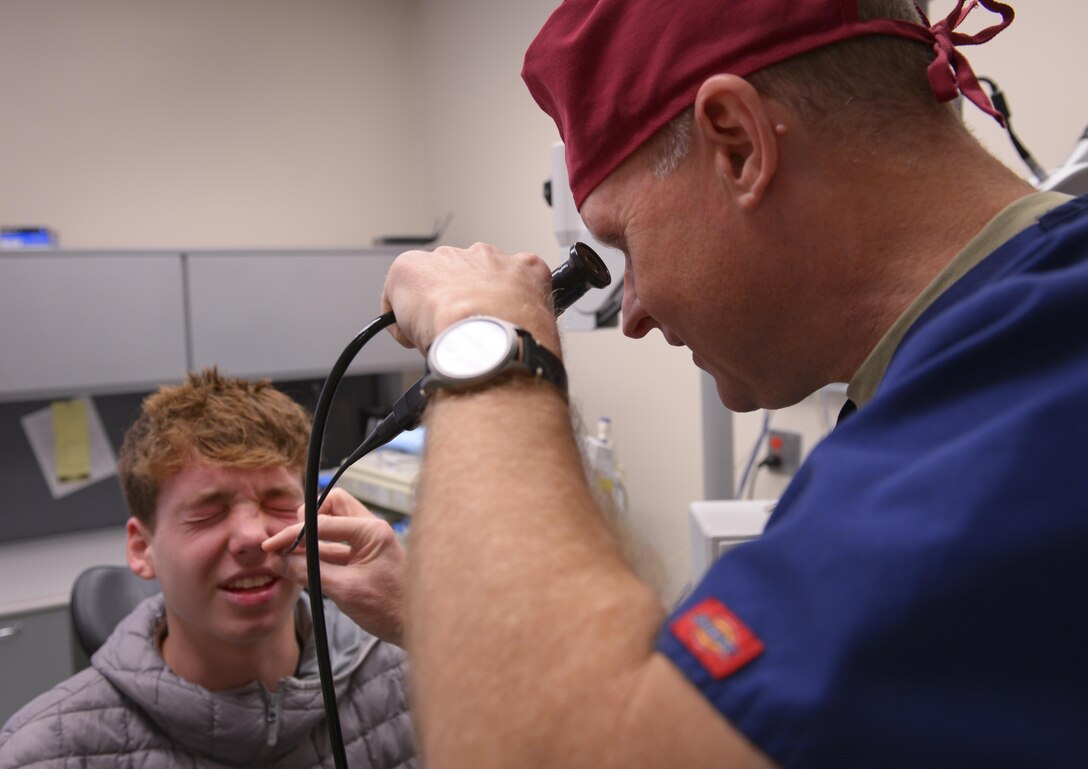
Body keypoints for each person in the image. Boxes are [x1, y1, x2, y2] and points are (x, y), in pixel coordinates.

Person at [264, 0, 1088, 767]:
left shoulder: (1020, 401)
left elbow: (565, 750)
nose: (635, 312)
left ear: (736, 143)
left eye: (624, 242)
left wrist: (487, 338)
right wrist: (443, 610)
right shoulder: (988, 365)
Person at [0, 368, 416, 769]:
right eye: (207, 513)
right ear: (142, 548)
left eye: (277, 503)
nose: (252, 537)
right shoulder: (42, 752)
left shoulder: (417, 679)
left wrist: (417, 622)